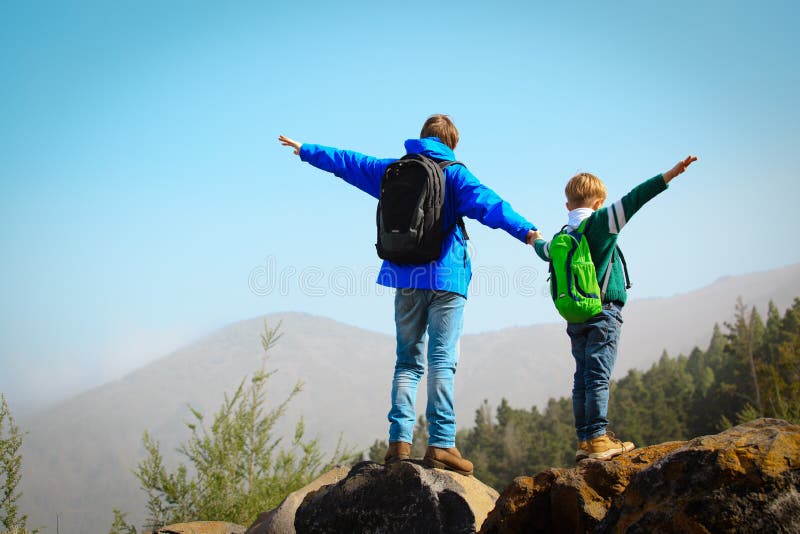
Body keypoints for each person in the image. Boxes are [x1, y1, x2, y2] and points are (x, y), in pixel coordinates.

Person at [278, 114, 541, 475]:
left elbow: (348, 162)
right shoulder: (454, 173)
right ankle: (442, 444)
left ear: (423, 138)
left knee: (407, 363)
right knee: (441, 361)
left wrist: (307, 150)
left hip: (405, 275)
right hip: (447, 278)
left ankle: (398, 444)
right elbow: (490, 204)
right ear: (451, 143)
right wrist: (528, 233)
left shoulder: (394, 171)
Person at [533, 155, 698, 461]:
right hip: (603, 312)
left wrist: (534, 239)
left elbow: (544, 251)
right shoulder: (601, 223)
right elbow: (636, 198)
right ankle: (598, 438)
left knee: (582, 375)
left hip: (575, 316)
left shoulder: (562, 236)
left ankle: (584, 440)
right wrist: (669, 175)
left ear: (568, 207)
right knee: (598, 374)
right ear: (599, 203)